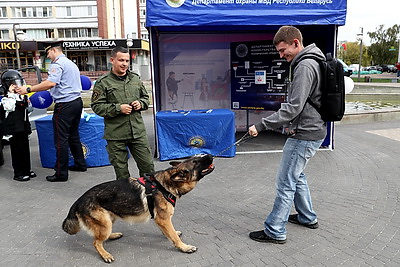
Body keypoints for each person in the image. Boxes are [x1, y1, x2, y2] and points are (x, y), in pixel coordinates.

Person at [248, 26, 327, 244]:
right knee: (297, 175)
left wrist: (262, 125)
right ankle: (307, 217)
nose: (282, 56)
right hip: (312, 131)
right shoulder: (313, 60)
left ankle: (275, 230)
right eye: (280, 52)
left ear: (295, 42)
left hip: (305, 134)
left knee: (285, 182)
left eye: (284, 50)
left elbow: (293, 107)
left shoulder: (305, 66)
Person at [17, 42, 87, 182]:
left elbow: (50, 83)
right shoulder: (70, 63)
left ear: (54, 50)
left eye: (48, 53)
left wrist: (28, 89)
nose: (47, 56)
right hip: (76, 102)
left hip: (65, 104)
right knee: (73, 135)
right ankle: (80, 163)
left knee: (61, 140)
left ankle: (61, 173)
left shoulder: (57, 64)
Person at [91, 46, 154, 180]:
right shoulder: (103, 82)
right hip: (116, 135)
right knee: (122, 174)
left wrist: (140, 103)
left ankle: (149, 198)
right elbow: (97, 107)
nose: (124, 64)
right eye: (121, 60)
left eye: (126, 61)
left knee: (148, 168)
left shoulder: (135, 79)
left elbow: (145, 98)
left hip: (137, 132)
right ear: (112, 60)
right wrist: (119, 108)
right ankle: (126, 200)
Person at [0, 70, 36, 181]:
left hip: (23, 127)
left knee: (25, 149)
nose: (17, 86)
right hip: (14, 128)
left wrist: (24, 98)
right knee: (17, 150)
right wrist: (11, 93)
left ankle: (26, 169)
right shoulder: (5, 97)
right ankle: (19, 173)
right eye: (14, 84)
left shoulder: (20, 95)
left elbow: (28, 109)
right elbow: (9, 106)